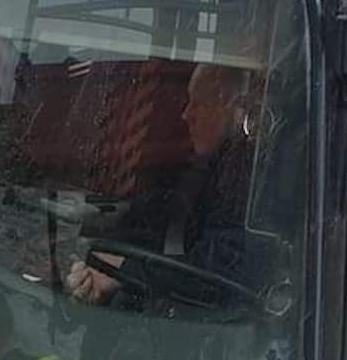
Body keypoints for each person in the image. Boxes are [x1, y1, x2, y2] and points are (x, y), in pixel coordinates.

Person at [64, 61, 257, 307]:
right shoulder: (208, 167)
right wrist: (100, 216)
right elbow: (164, 209)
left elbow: (219, 275)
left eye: (198, 103)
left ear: (232, 106)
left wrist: (126, 270)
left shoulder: (244, 176)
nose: (186, 114)